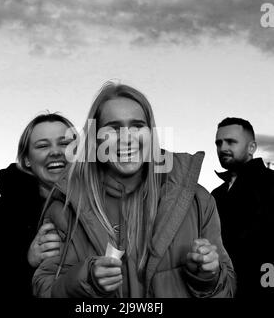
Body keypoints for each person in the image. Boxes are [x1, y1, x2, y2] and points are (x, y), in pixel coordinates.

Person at [33, 83, 235, 298]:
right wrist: (86, 279)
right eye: (113, 128)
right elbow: (44, 290)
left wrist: (207, 277)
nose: (127, 138)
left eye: (137, 126)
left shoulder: (196, 199)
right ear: (95, 138)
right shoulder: (66, 205)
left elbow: (228, 288)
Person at [0, 112, 76, 297]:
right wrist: (26, 261)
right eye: (42, 145)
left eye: (65, 144)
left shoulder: (101, 207)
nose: (56, 151)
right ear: (26, 160)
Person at [212, 117, 274, 298]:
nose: (222, 148)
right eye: (218, 143)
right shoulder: (215, 195)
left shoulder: (271, 184)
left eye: (231, 141)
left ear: (252, 147)